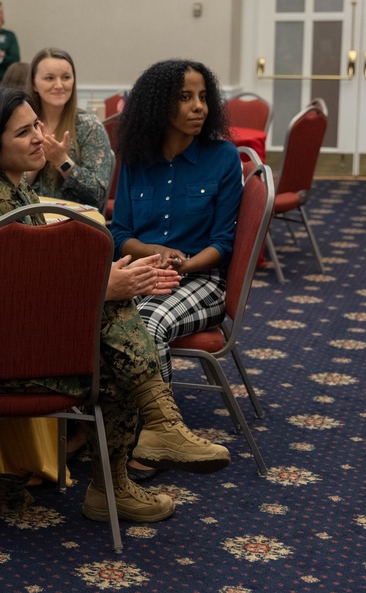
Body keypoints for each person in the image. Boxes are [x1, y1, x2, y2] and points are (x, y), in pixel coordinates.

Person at [0, 87, 230, 523]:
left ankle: (137, 457)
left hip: (1, 336)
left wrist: (103, 286)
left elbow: (32, 286)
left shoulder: (13, 193)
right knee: (113, 327)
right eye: (24, 132)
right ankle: (142, 449)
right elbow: (12, 300)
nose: (38, 138)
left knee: (114, 340)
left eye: (37, 127)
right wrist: (102, 289)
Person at [111, 60, 243, 482]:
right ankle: (102, 425)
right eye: (185, 97)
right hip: (145, 270)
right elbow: (120, 234)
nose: (198, 106)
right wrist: (152, 252)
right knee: (98, 315)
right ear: (158, 105)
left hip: (202, 281)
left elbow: (222, 244)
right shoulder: (135, 158)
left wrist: (184, 262)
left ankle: (157, 437)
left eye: (203, 97)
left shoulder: (222, 157)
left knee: (147, 324)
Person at [25, 48, 113, 210]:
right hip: (29, 221)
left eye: (66, 77)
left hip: (75, 223)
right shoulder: (23, 126)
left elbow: (98, 195)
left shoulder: (89, 126)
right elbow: (9, 188)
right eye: (49, 78)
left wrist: (62, 161)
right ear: (34, 84)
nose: (59, 85)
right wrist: (38, 158)